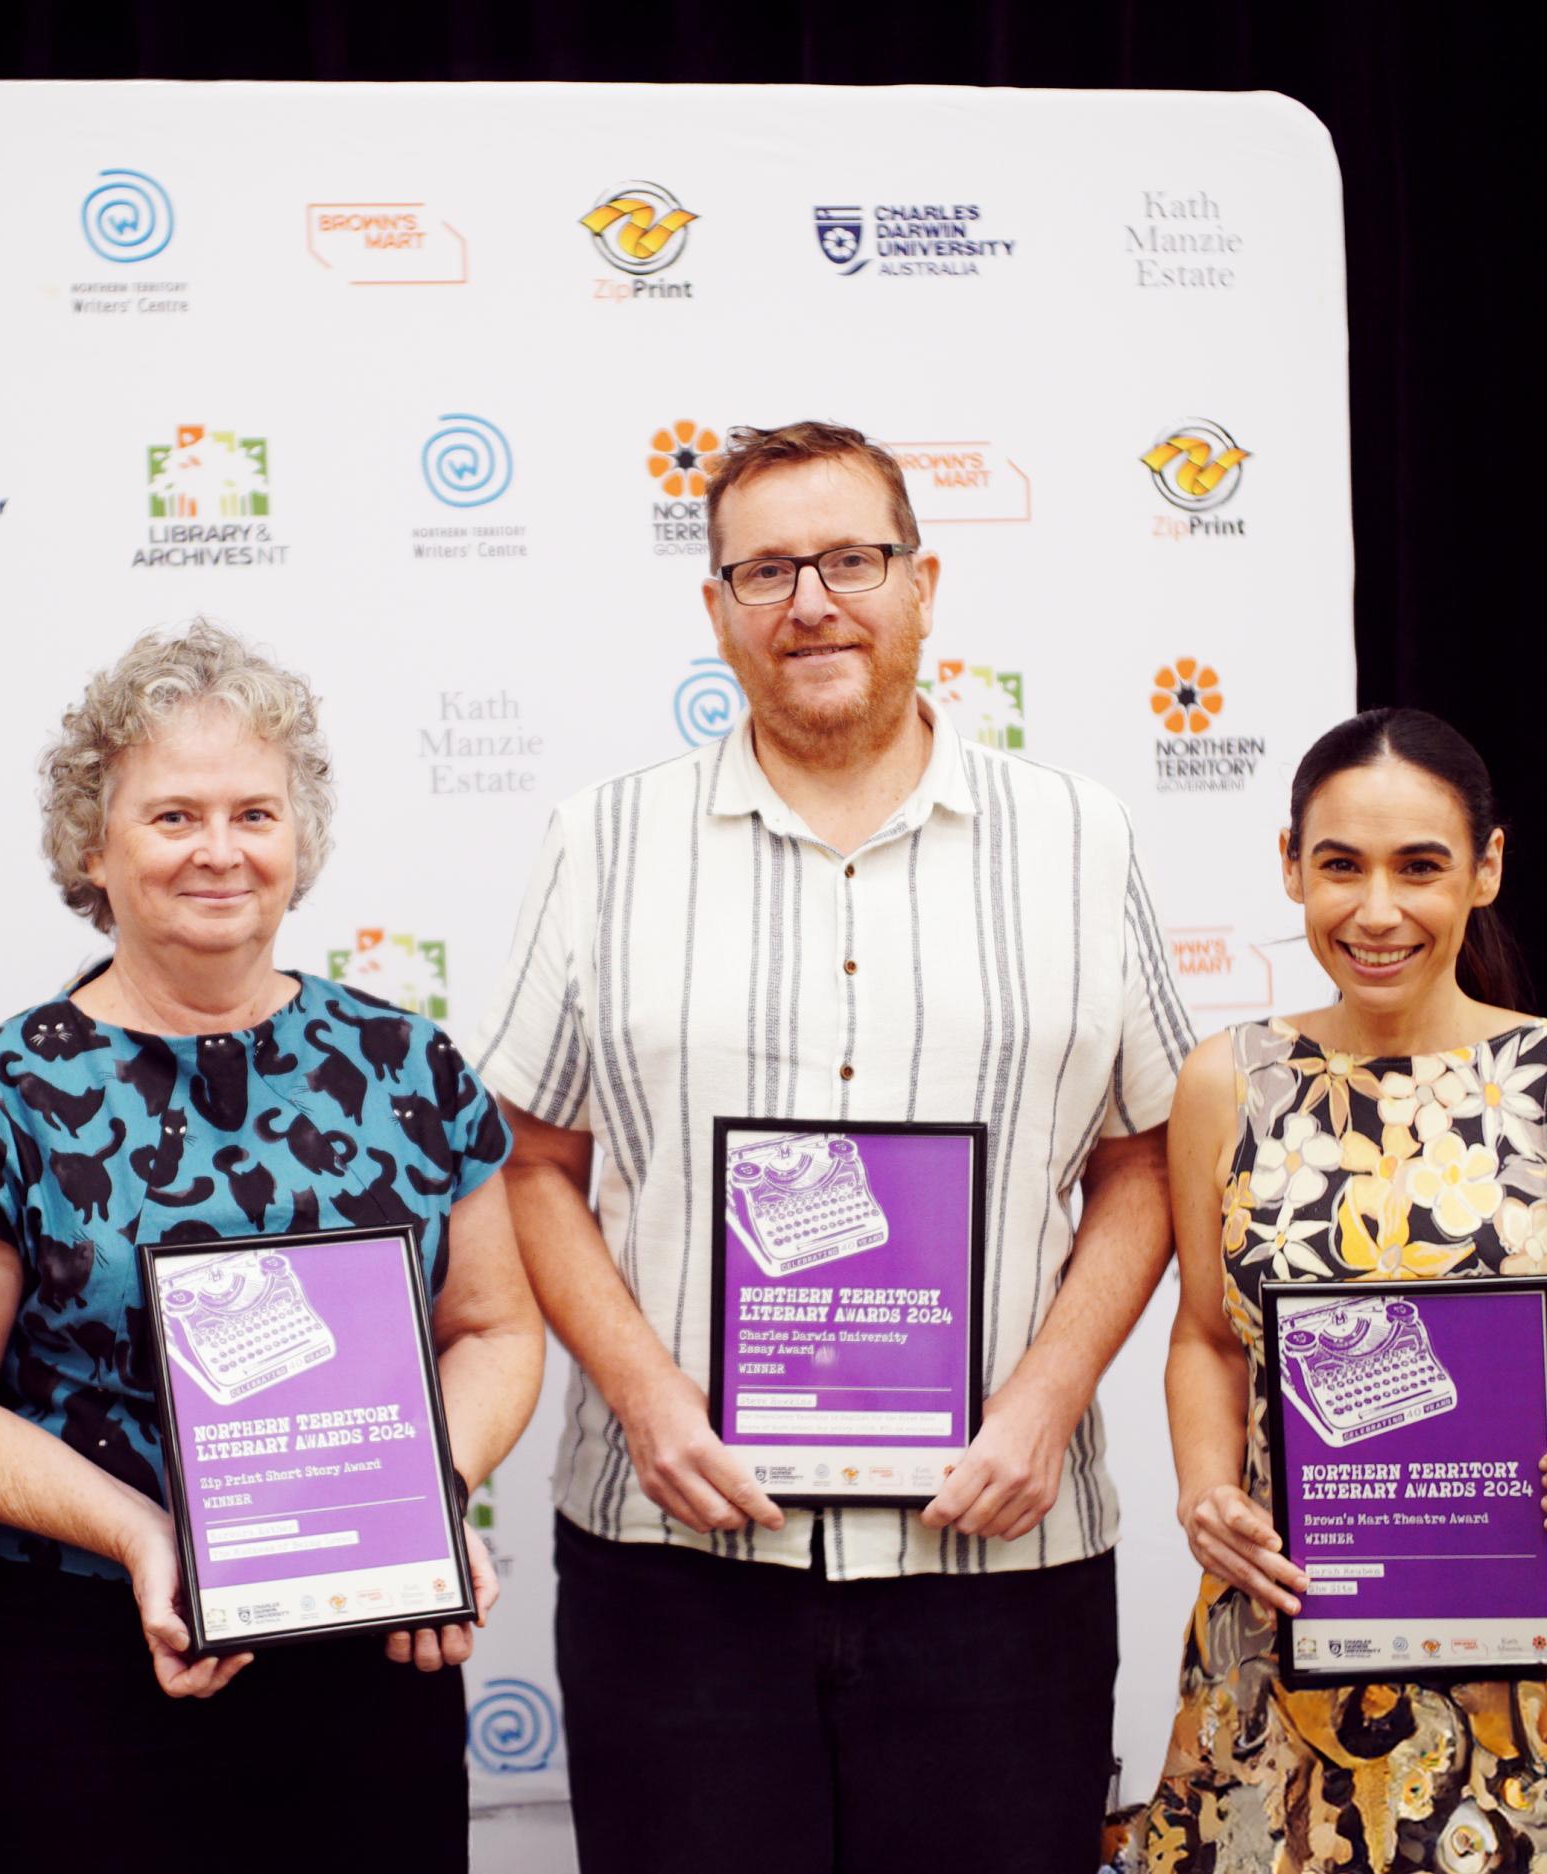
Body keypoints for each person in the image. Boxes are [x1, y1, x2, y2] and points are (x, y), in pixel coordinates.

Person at [474, 421, 1192, 1873]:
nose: (812, 601)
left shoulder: (1077, 836)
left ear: (923, 582)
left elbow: (1148, 1154)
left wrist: (1050, 1398)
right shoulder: (602, 840)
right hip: (677, 1549)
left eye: (851, 560)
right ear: (717, 608)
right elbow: (529, 1158)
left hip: (999, 1546)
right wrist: (644, 1392)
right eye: (767, 568)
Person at [0, 620, 544, 1873]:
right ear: (93, 844)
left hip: (365, 1642)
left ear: (302, 839)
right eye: (173, 816)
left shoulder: (408, 1067)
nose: (220, 851)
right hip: (80, 1662)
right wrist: (144, 1535)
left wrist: (422, 1495)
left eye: (254, 813)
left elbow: (494, 1326)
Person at [1115, 708, 1547, 1873]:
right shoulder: (1224, 1084)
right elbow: (1205, 1337)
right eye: (1340, 864)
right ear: (1289, 865)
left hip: (1524, 1676)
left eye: (1420, 866)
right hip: (1274, 1663)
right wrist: (1201, 1491)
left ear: (1486, 868)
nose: (1376, 909)